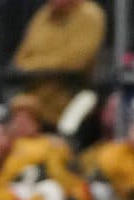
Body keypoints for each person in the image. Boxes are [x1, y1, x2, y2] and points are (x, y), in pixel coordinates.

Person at [11, 0, 106, 133]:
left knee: (77, 111)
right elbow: (20, 60)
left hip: (73, 93)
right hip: (35, 96)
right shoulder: (44, 14)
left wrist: (34, 66)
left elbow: (77, 61)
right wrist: (37, 66)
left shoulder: (90, 14)